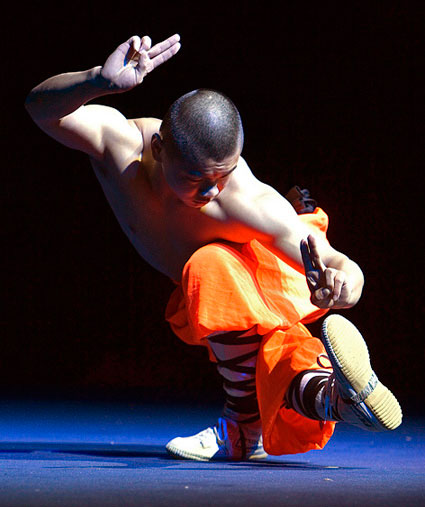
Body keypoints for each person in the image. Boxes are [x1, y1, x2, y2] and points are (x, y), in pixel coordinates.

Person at [25, 34, 402, 461]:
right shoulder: (120, 147)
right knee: (272, 361)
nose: (211, 191)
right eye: (197, 178)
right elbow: (39, 109)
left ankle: (241, 428)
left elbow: (337, 261)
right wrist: (96, 80)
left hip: (253, 276)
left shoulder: (245, 202)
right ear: (159, 149)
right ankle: (334, 400)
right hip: (217, 301)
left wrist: (344, 285)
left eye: (223, 175)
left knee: (208, 265)